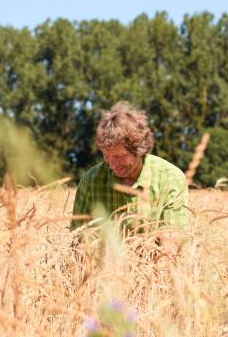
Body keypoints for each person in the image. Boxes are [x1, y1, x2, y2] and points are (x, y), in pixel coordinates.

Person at [70, 101, 188, 248]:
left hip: (155, 268)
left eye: (120, 156)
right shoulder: (90, 181)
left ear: (139, 149)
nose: (112, 164)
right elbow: (79, 244)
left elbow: (171, 248)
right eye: (106, 155)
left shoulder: (170, 178)